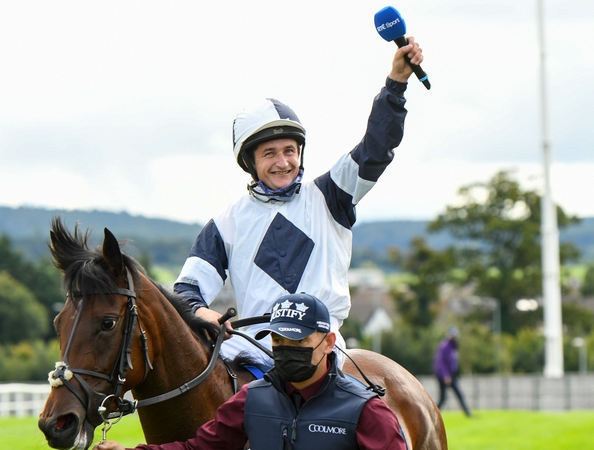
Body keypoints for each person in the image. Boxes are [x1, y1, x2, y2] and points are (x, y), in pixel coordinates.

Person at [173, 38, 425, 369]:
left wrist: (396, 83)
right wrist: (203, 311)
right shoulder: (225, 224)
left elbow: (376, 147)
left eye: (289, 150)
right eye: (269, 153)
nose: (283, 162)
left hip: (325, 355)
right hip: (255, 358)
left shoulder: (332, 194)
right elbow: (186, 291)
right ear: (250, 162)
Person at [93, 293, 408, 450]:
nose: (285, 348)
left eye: (297, 340)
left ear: (328, 342)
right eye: (278, 339)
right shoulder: (250, 401)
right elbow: (198, 449)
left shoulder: (366, 411)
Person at [433, 327, 471, 417]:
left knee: (457, 395)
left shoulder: (453, 346)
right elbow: (441, 362)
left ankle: (468, 414)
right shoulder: (444, 346)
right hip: (444, 376)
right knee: (444, 398)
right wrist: (446, 375)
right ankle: (434, 414)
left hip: (451, 375)